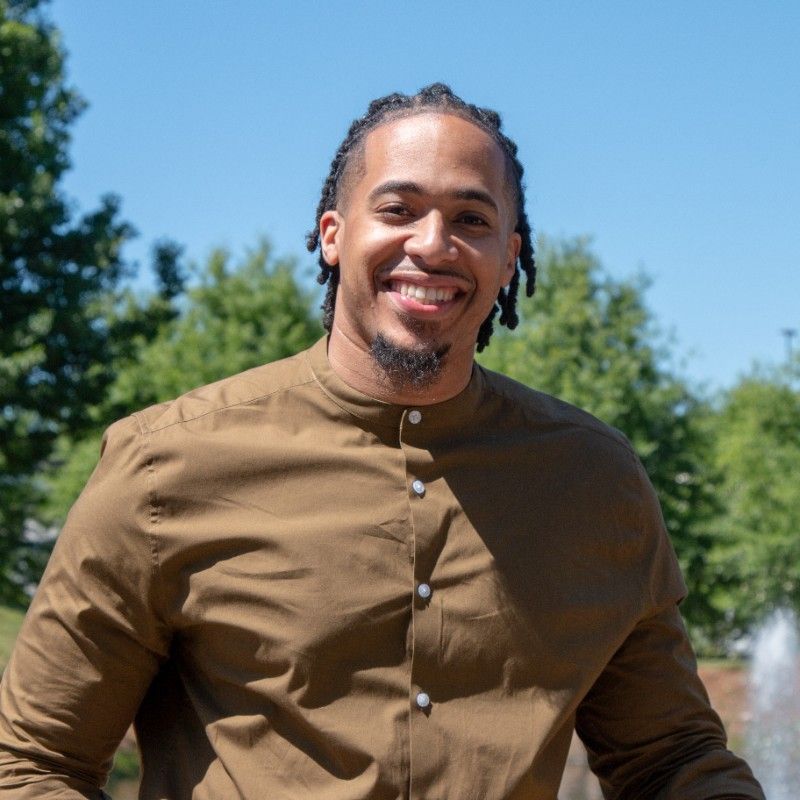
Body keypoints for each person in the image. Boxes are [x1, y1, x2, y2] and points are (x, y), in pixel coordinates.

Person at [0, 83, 763, 799]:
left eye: (472, 219)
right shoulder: (164, 467)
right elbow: (35, 763)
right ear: (333, 235)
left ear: (508, 258)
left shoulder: (594, 482)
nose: (433, 245)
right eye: (399, 208)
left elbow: (672, 760)